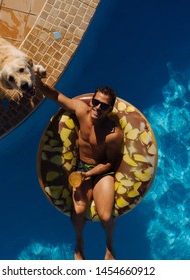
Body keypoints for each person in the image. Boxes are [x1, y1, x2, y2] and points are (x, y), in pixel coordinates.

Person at [36, 77, 123, 260]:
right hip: (81, 166)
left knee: (106, 216)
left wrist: (88, 174)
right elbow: (56, 95)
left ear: (110, 110)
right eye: (96, 102)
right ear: (91, 101)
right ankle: (79, 243)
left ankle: (109, 246)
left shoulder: (113, 135)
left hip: (101, 171)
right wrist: (37, 83)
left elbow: (111, 163)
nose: (98, 107)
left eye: (104, 106)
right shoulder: (81, 110)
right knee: (78, 212)